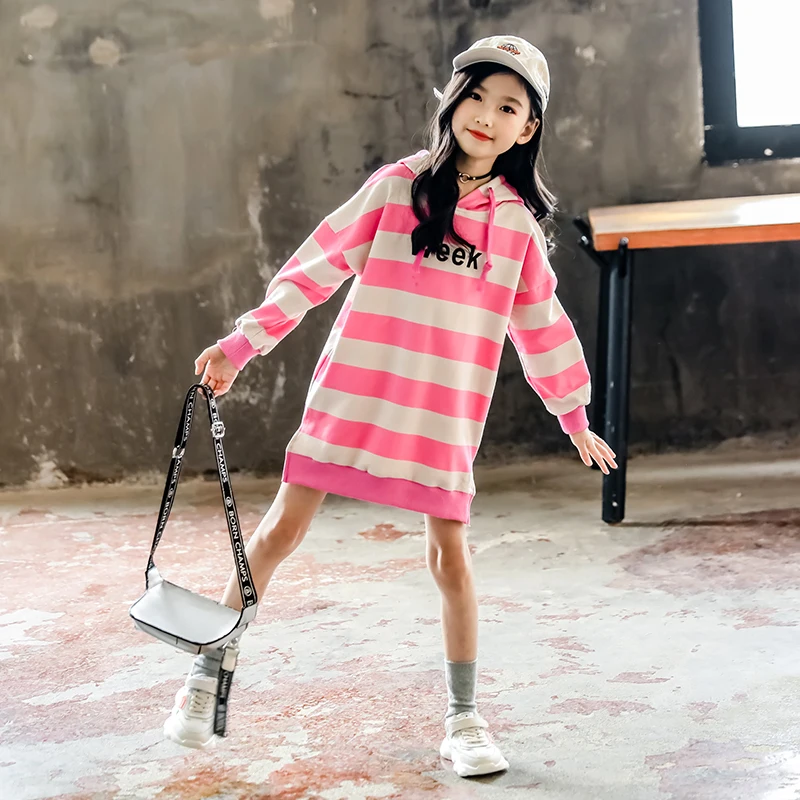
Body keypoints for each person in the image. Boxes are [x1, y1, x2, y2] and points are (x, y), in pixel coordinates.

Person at [163, 35, 617, 778]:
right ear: (452, 99)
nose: (486, 115)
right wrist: (241, 345)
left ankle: (464, 719)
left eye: (509, 107)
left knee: (450, 560)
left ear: (528, 128)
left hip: (443, 416)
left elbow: (542, 325)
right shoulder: (396, 186)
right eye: (476, 96)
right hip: (355, 392)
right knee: (278, 534)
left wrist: (573, 415)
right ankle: (205, 677)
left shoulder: (515, 228)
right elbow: (313, 268)